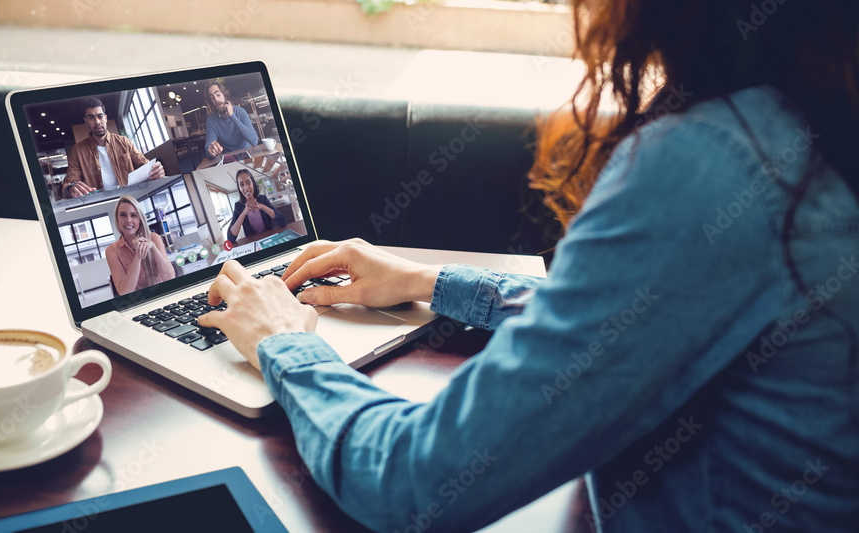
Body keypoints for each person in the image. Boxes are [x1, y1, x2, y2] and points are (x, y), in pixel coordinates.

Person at [199, 1, 859, 531]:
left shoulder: (713, 164)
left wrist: (284, 344)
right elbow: (645, 314)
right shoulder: (815, 120)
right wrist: (429, 282)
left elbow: (413, 483)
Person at [61, 97, 165, 199]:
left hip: (130, 198)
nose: (97, 122)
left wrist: (157, 171)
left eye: (100, 116)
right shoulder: (78, 150)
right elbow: (68, 183)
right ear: (86, 120)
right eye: (91, 117)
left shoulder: (124, 142)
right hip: (100, 204)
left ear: (105, 118)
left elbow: (145, 166)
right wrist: (71, 188)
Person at [105, 195, 175, 295]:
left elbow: (169, 278)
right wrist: (138, 256)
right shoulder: (111, 251)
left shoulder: (154, 238)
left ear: (140, 219)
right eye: (123, 215)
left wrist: (153, 248)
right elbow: (124, 292)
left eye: (133, 215)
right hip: (138, 302)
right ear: (117, 218)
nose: (128, 220)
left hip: (163, 294)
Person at [226, 169, 286, 243]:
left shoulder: (263, 199)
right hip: (253, 243)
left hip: (269, 238)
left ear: (253, 184)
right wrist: (243, 213)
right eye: (242, 184)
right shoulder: (238, 206)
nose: (246, 187)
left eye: (248, 183)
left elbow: (283, 221)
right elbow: (230, 239)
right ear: (239, 188)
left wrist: (262, 207)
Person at [204, 80, 258, 158]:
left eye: (218, 95)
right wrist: (211, 150)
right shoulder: (211, 119)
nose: (216, 99)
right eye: (212, 98)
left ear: (224, 96)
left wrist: (232, 116)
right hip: (228, 158)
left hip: (247, 153)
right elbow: (208, 145)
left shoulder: (240, 111)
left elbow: (254, 141)